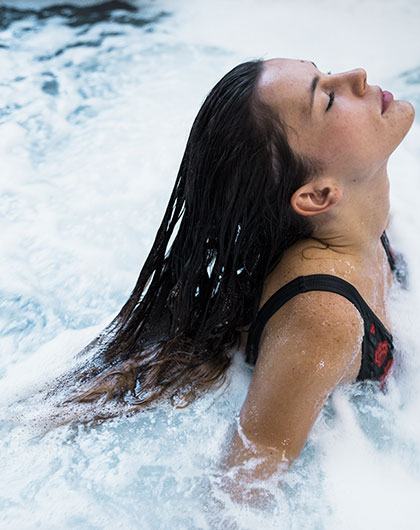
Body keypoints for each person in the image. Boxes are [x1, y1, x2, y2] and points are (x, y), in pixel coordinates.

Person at [63, 57, 415, 479]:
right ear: (319, 195)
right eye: (328, 99)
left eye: (325, 74)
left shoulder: (366, 214)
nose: (356, 75)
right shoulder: (325, 316)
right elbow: (246, 480)